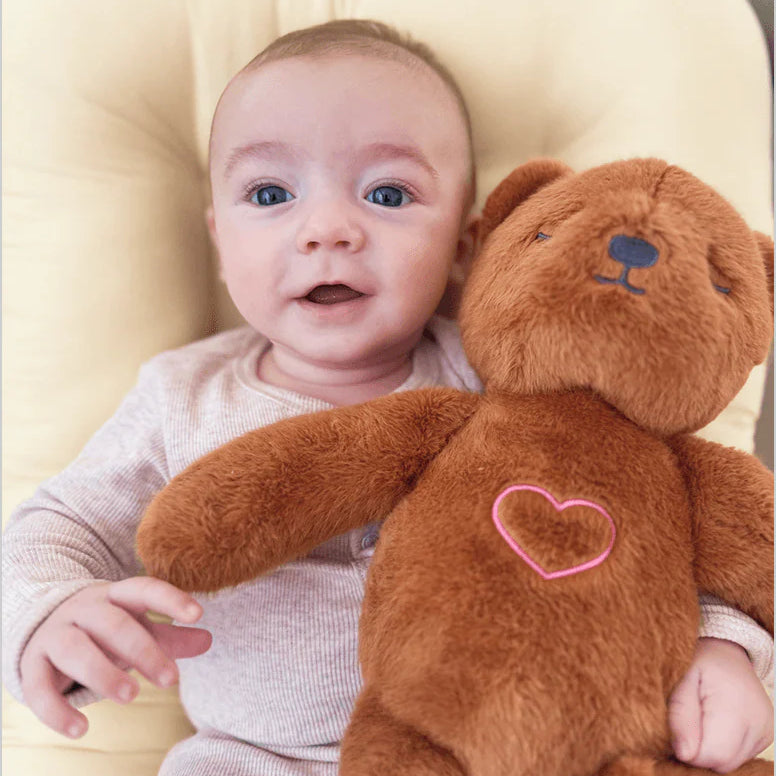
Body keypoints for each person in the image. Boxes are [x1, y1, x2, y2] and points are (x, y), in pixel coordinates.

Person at [2, 19, 773, 776]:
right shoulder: (181, 397)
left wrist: (721, 646)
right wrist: (48, 610)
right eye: (270, 192)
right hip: (250, 757)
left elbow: (665, 528)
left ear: (467, 248)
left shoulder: (504, 386)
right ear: (219, 239)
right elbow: (58, 523)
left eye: (389, 193)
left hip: (486, 750)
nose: (328, 228)